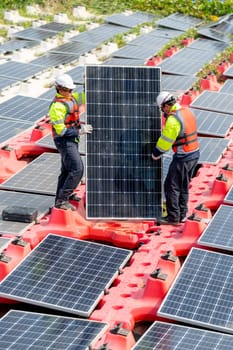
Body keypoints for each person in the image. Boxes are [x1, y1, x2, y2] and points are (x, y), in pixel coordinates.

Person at [152, 91, 200, 226]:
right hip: (194, 154)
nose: (162, 111)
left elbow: (166, 141)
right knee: (183, 185)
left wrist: (156, 153)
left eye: (162, 108)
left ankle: (173, 218)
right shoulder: (186, 111)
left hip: (183, 157)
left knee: (171, 186)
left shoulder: (173, 120)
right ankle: (182, 215)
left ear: (166, 106)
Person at [49, 73, 93, 211]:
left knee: (66, 171)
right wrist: (80, 131)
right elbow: (61, 131)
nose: (70, 92)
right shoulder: (57, 107)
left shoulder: (71, 99)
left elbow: (85, 97)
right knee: (77, 169)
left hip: (71, 140)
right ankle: (62, 200)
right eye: (67, 90)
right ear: (60, 89)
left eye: (71, 90)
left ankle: (61, 197)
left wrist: (87, 83)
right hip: (64, 141)